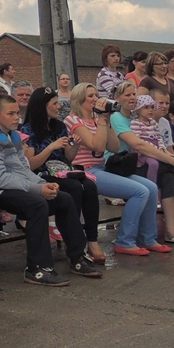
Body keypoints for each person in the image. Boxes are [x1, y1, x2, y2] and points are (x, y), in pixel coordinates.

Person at [0, 95, 102, 285]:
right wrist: (37, 190)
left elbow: (22, 169)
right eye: (11, 113)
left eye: (17, 113)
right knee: (37, 204)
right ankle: (37, 268)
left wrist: (42, 184)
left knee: (63, 199)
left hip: (11, 184)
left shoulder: (12, 135)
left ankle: (77, 258)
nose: (17, 117)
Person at [64, 82, 164, 256]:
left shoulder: (98, 120)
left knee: (151, 187)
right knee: (139, 191)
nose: (95, 99)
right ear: (79, 99)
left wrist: (105, 119)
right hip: (86, 170)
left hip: (103, 167)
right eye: (90, 96)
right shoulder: (73, 120)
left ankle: (147, 238)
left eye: (96, 95)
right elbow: (97, 146)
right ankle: (125, 241)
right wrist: (102, 121)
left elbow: (114, 147)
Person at [22, 87, 105, 263]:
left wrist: (74, 148)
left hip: (61, 170)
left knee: (89, 186)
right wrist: (51, 147)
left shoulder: (58, 126)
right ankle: (72, 241)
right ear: (42, 106)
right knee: (74, 188)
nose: (59, 107)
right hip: (41, 174)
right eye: (55, 104)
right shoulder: (28, 130)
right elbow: (30, 165)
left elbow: (68, 158)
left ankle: (92, 240)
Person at [115, 88, 174, 246]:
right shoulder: (125, 119)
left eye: (167, 103)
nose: (164, 106)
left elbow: (166, 147)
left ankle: (172, 231)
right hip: (134, 162)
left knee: (171, 176)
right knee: (173, 169)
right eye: (159, 103)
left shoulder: (160, 123)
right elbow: (140, 145)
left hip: (159, 159)